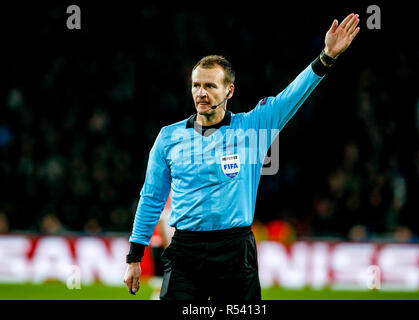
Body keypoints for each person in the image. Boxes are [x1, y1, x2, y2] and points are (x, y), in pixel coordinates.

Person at [124, 13, 360, 300]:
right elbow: (151, 197)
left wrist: (326, 57)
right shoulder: (169, 137)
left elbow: (290, 96)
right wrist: (135, 257)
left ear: (229, 90)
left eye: (210, 86)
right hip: (185, 250)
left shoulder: (252, 128)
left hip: (236, 251)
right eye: (196, 85)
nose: (201, 93)